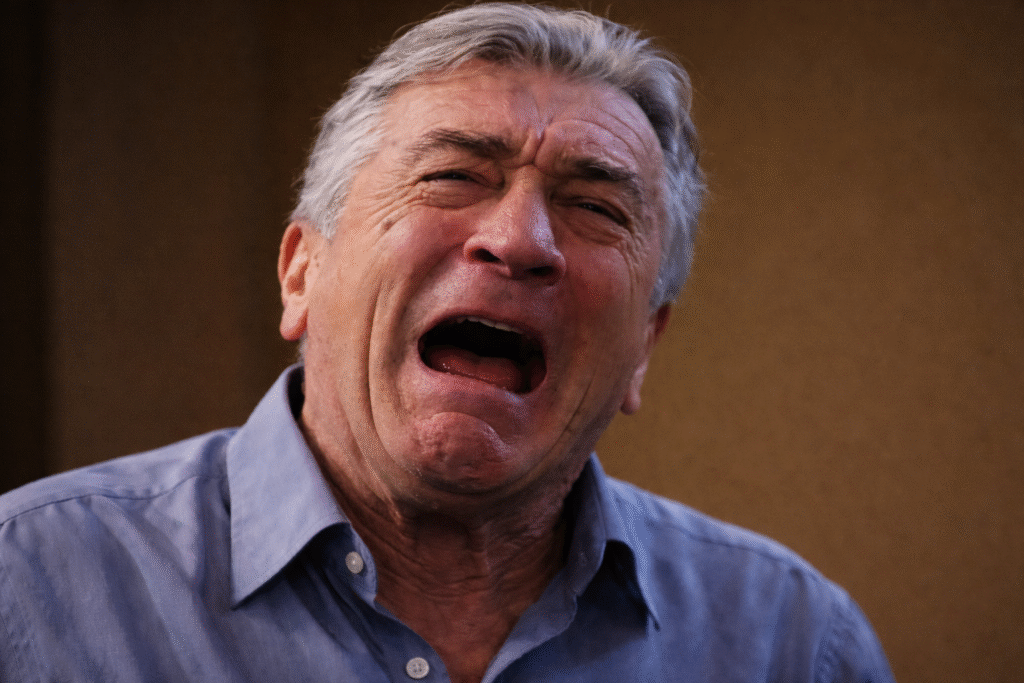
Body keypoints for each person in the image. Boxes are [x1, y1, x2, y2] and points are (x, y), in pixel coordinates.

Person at [0, 4, 896, 682]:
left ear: (646, 347)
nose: (519, 239)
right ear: (302, 272)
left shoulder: (794, 642)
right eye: (453, 175)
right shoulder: (30, 588)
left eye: (594, 206)